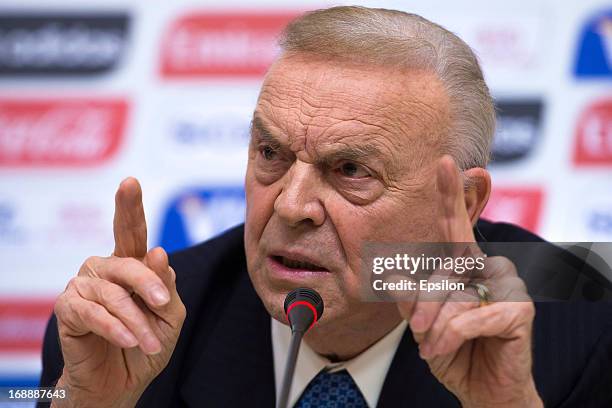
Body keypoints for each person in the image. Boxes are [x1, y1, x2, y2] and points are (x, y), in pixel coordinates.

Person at [38, 6, 612, 407]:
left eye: (351, 171)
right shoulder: (135, 322)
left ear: (461, 205)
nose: (291, 207)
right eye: (270, 153)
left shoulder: (588, 325)